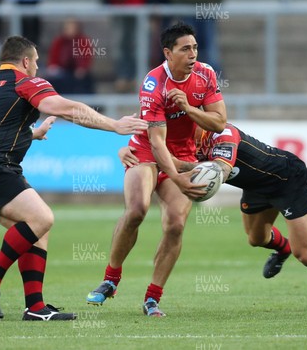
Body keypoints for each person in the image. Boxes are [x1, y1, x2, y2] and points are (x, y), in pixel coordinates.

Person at [0, 36, 147, 321]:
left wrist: (31, 134)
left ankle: (34, 307)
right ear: (25, 61)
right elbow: (68, 109)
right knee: (42, 218)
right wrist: (115, 125)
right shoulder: (26, 82)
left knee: (36, 229)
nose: (37, 67)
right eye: (35, 61)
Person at [119, 123, 307, 310]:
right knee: (256, 238)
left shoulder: (223, 134)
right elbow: (153, 150)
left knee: (304, 254)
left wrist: (173, 164)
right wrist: (126, 151)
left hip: (287, 180)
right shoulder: (187, 143)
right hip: (256, 188)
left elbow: (217, 171)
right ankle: (282, 249)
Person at [85, 22, 226, 317]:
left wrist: (188, 108)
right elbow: (157, 141)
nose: (193, 54)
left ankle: (152, 298)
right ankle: (111, 279)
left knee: (175, 224)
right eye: (185, 49)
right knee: (137, 209)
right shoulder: (153, 83)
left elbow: (219, 123)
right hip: (147, 151)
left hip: (185, 154)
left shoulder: (206, 74)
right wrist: (175, 177)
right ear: (168, 52)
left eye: (195, 48)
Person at [46, 18, 95, 95]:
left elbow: (86, 57)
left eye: (72, 28)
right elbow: (53, 58)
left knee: (84, 80)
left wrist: (82, 68)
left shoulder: (83, 40)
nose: (69, 30)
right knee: (55, 80)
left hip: (78, 72)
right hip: (63, 71)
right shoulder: (59, 41)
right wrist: (53, 67)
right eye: (67, 28)